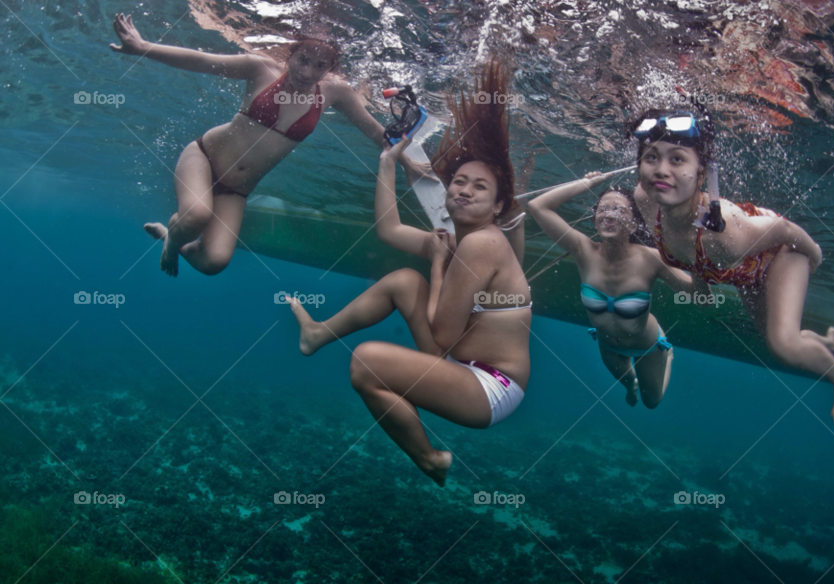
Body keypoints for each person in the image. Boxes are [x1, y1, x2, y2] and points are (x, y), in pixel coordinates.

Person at [286, 61, 530, 486]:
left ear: (496, 208)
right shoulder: (460, 238)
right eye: (459, 181)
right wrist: (387, 163)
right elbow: (390, 230)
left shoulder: (483, 242)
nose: (463, 190)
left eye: (479, 187)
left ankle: (429, 458)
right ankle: (318, 334)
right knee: (403, 280)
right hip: (463, 361)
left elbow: (441, 335)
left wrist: (437, 265)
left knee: (366, 363)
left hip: (491, 388)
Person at [109, 13, 433, 276]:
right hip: (204, 158)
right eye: (302, 60)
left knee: (214, 263)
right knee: (195, 216)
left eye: (320, 66)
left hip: (236, 190)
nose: (307, 72)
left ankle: (172, 237)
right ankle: (171, 246)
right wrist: (142, 47)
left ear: (330, 69)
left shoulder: (336, 94)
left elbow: (375, 131)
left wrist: (407, 165)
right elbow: (200, 60)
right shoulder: (259, 69)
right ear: (290, 54)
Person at [631, 109, 834, 431]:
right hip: (743, 274)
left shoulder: (726, 233)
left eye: (678, 159)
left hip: (782, 254)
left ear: (701, 174)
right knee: (773, 336)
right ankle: (827, 340)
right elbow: (691, 257)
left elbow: (783, 230)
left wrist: (814, 254)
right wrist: (700, 290)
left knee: (783, 345)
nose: (661, 170)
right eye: (651, 157)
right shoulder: (645, 200)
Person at [528, 174, 702, 407]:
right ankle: (631, 385)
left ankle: (666, 352)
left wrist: (698, 258)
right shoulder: (583, 250)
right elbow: (537, 206)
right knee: (629, 382)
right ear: (595, 218)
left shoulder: (651, 259)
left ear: (634, 223)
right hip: (607, 345)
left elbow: (699, 296)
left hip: (646, 345)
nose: (609, 215)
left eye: (619, 210)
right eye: (603, 209)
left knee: (652, 402)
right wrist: (587, 184)